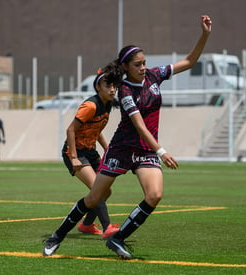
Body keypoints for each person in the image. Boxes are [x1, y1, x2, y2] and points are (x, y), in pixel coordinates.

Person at [43, 15, 212, 259]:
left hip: (144, 151)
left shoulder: (155, 76)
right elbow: (139, 125)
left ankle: (117, 238)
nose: (143, 67)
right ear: (125, 67)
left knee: (154, 195)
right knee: (94, 198)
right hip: (122, 149)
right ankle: (56, 236)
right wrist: (162, 152)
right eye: (137, 64)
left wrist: (205, 35)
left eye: (144, 63)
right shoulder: (123, 91)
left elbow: (189, 61)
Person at [60, 62, 123, 240]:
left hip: (90, 151)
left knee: (106, 191)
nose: (112, 90)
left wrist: (108, 149)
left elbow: (97, 130)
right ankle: (107, 227)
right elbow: (70, 130)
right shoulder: (91, 106)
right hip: (75, 152)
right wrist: (73, 157)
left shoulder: (108, 104)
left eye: (114, 86)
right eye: (108, 86)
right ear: (98, 87)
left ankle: (86, 224)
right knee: (97, 187)